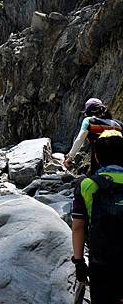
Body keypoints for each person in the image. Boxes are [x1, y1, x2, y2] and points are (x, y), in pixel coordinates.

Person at [71, 130, 123, 303]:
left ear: (97, 158)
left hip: (100, 259)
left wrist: (79, 263)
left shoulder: (86, 184)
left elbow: (78, 227)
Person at [65, 98, 122, 174]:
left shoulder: (89, 121)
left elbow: (80, 139)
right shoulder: (119, 124)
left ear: (88, 111)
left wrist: (70, 157)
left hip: (100, 159)